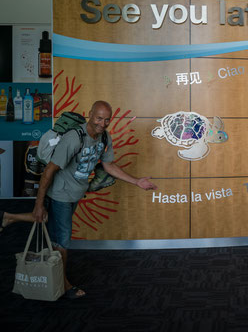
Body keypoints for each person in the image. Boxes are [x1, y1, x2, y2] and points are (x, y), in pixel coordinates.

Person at [4, 100, 157, 299]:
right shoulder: (74, 138)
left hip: (75, 193)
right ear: (90, 114)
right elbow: (49, 171)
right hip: (61, 193)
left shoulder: (104, 137)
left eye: (107, 120)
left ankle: (9, 217)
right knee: (63, 240)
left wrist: (137, 182)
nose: (102, 123)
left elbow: (109, 166)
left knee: (49, 221)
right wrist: (38, 203)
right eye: (99, 118)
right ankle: (64, 285)